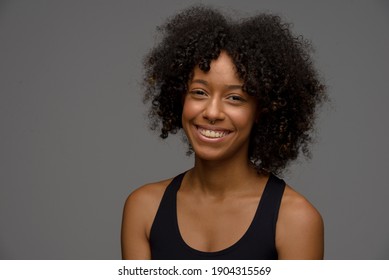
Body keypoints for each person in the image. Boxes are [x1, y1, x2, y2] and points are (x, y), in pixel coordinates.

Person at [121, 5, 326, 260]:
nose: (212, 112)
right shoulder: (144, 209)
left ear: (262, 110)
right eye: (199, 92)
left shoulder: (295, 219)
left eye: (234, 97)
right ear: (179, 97)